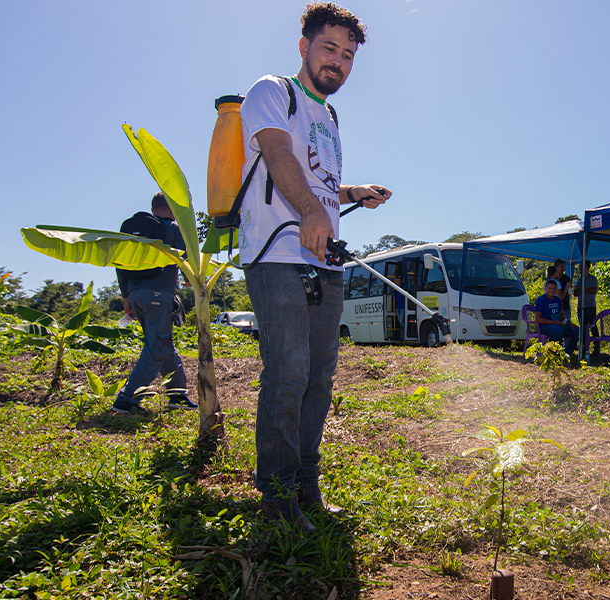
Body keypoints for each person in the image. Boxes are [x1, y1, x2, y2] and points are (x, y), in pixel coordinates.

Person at [239, 3, 392, 532]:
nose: (339, 62)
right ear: (303, 47)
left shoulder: (329, 116)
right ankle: (277, 496)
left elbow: (321, 182)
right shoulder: (271, 91)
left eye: (348, 56)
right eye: (330, 48)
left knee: (320, 378)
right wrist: (306, 210)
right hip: (275, 253)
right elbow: (278, 154)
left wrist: (354, 192)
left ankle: (306, 483)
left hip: (324, 262)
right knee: (288, 374)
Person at [112, 192, 196, 415]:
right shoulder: (171, 228)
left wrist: (126, 297)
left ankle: (177, 394)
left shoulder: (138, 230)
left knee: (160, 343)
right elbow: (187, 257)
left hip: (136, 294)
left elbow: (120, 264)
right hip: (159, 294)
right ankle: (127, 398)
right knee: (158, 346)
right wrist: (191, 281)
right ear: (172, 209)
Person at [534, 279, 579, 355]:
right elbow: (538, 319)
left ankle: (566, 354)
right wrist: (555, 322)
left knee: (577, 331)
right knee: (559, 330)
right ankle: (553, 354)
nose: (552, 290)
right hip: (544, 326)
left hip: (558, 325)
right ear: (545, 289)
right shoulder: (541, 300)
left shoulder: (558, 300)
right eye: (549, 288)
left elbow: (561, 317)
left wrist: (568, 322)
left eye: (554, 288)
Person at [573, 265, 600, 359]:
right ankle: (584, 349)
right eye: (580, 267)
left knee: (593, 327)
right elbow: (575, 294)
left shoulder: (593, 279)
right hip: (581, 307)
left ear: (588, 267)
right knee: (583, 329)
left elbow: (594, 290)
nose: (580, 269)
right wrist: (580, 289)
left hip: (590, 306)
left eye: (582, 267)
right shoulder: (579, 279)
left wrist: (584, 288)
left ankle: (597, 349)